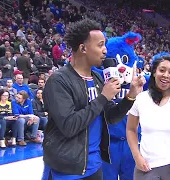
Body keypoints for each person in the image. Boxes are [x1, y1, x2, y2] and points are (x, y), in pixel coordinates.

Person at [41, 18, 145, 180]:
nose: (105, 50)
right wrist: (103, 97)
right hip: (68, 169)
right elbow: (69, 125)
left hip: (95, 165)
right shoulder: (59, 81)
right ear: (83, 48)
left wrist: (130, 96)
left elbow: (110, 117)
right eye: (100, 45)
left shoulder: (97, 77)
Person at [126, 56, 170, 180]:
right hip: (146, 168)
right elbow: (131, 129)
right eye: (162, 70)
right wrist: (137, 157)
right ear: (154, 72)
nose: (166, 75)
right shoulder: (140, 99)